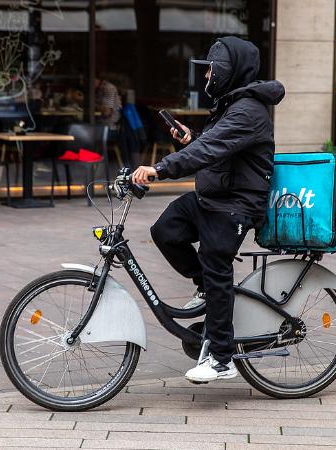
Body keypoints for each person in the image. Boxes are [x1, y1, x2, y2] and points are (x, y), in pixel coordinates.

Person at [131, 37, 285, 383]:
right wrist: (189, 139)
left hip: (236, 204)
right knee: (165, 231)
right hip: (212, 197)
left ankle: (221, 357)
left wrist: (161, 168)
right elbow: (212, 146)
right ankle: (208, 289)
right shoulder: (232, 104)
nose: (206, 78)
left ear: (229, 71)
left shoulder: (248, 110)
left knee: (216, 261)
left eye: (212, 70)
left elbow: (212, 149)